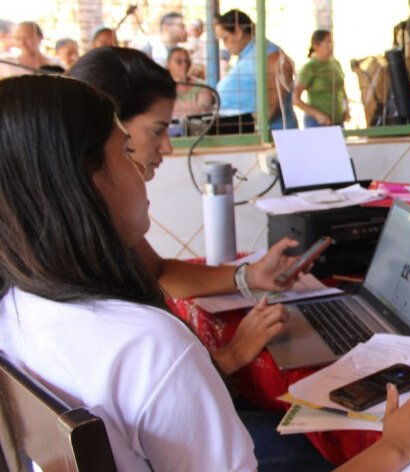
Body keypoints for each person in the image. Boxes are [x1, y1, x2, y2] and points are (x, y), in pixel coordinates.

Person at [0, 74, 410, 472]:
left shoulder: (19, 309)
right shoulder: (146, 344)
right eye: (125, 152)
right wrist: (394, 444)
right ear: (87, 180)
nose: (143, 168)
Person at [67, 47, 294, 377]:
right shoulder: (77, 245)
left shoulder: (95, 220)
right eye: (157, 130)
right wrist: (233, 353)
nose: (168, 148)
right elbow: (143, 386)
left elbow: (156, 272)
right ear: (105, 137)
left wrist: (250, 275)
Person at [215, 9, 298, 130]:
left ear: (238, 31)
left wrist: (242, 125)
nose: (224, 44)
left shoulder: (270, 56)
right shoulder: (248, 56)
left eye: (225, 38)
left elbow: (269, 110)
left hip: (267, 136)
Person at [294, 29, 349, 127]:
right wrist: (318, 115)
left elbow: (342, 89)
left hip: (338, 122)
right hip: (317, 123)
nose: (331, 46)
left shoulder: (336, 64)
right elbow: (295, 99)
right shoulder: (310, 67)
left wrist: (346, 108)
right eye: (328, 43)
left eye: (331, 42)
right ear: (316, 46)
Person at [167, 46, 214, 118]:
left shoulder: (201, 87)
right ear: (168, 64)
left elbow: (204, 113)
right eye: (179, 61)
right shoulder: (161, 87)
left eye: (187, 61)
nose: (185, 65)